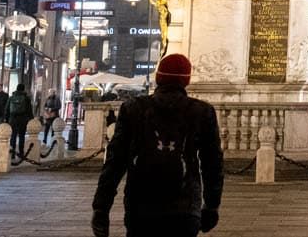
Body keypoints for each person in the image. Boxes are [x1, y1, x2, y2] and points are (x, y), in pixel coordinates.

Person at [92, 54, 223, 237]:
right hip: (184, 207)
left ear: (158, 77)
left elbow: (115, 162)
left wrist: (101, 208)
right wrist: (211, 205)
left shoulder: (133, 109)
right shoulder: (201, 112)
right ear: (186, 80)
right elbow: (212, 163)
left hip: (141, 206)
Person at [5, 81, 33, 160]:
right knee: (21, 136)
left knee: (13, 136)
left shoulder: (11, 97)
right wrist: (31, 119)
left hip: (13, 119)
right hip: (22, 119)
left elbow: (7, 109)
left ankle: (12, 153)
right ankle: (21, 152)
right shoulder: (26, 98)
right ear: (23, 89)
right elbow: (29, 110)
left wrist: (6, 120)